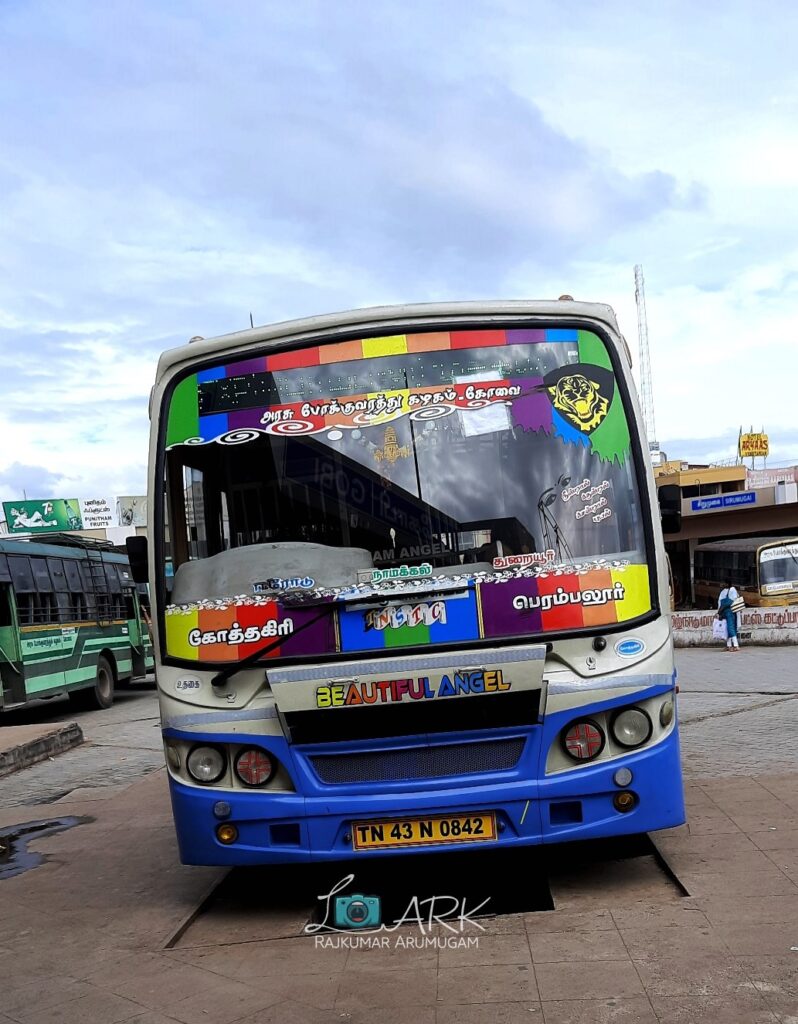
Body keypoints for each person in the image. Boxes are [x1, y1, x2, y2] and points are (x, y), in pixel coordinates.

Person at [718, 580, 741, 652]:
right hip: (726, 612)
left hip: (729, 612)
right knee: (727, 628)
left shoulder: (731, 590)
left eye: (724, 583)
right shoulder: (725, 591)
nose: (723, 584)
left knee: (730, 628)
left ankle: (736, 645)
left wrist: (719, 611)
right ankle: (729, 645)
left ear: (727, 584)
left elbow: (729, 602)